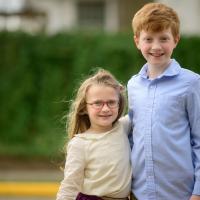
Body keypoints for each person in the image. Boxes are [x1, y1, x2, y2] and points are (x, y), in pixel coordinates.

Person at [127, 2, 200, 200]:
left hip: (180, 193)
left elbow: (199, 139)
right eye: (148, 39)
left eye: (164, 39)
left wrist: (198, 191)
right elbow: (132, 137)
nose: (156, 46)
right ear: (137, 41)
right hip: (140, 191)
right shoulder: (133, 85)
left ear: (175, 40)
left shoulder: (191, 83)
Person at [56, 69, 132, 200]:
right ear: (85, 108)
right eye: (97, 103)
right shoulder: (80, 144)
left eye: (111, 102)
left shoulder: (123, 127)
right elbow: (69, 187)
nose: (106, 109)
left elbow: (142, 109)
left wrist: (120, 89)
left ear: (119, 104)